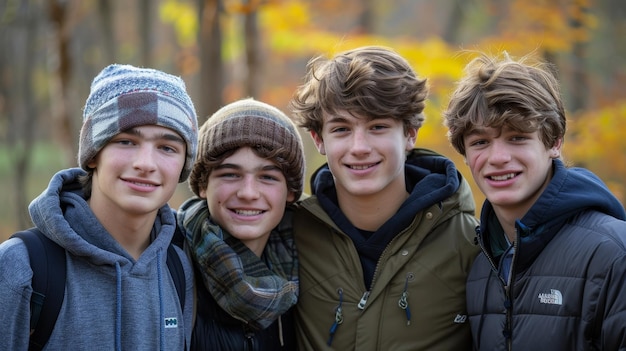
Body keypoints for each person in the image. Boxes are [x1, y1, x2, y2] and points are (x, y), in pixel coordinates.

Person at [289, 45, 480, 350]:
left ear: (410, 134)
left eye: (378, 127)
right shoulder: (291, 235)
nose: (360, 146)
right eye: (341, 129)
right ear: (318, 139)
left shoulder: (471, 244)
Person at [0, 64, 198, 350]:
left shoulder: (178, 267)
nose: (145, 163)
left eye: (167, 148)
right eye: (126, 141)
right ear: (93, 155)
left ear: (183, 165)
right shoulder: (21, 268)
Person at [443, 52, 626, 350]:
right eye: (480, 142)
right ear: (465, 155)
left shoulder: (613, 254)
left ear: (554, 142)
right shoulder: (479, 268)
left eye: (517, 138)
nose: (498, 158)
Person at [177, 98, 305, 350]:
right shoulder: (170, 264)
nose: (248, 193)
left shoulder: (309, 261)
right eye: (230, 174)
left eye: (267, 177)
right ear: (203, 185)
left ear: (290, 191)